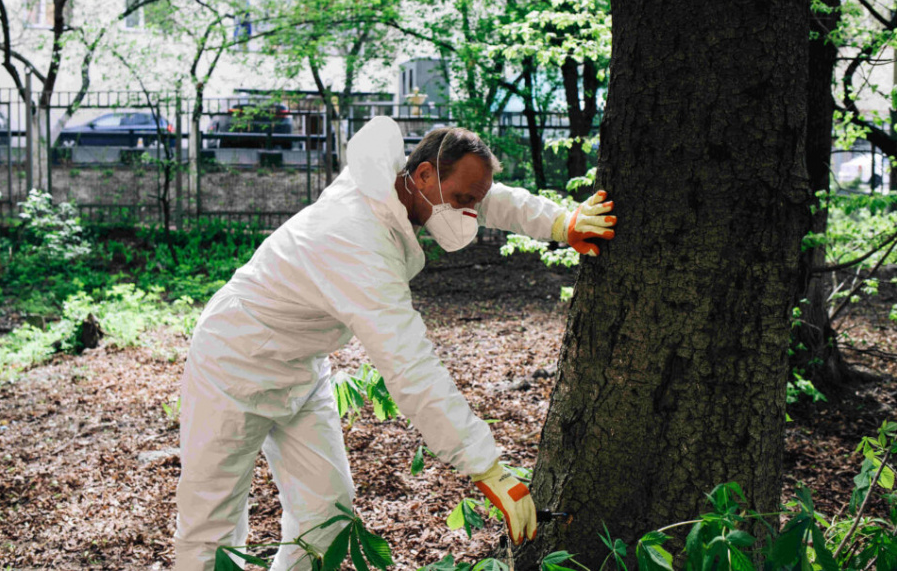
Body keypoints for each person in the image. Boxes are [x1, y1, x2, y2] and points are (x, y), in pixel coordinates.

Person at [174, 116, 616, 571]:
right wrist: (486, 466)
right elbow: (410, 366)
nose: (469, 213)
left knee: (327, 513)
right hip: (233, 362)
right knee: (211, 522)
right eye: (462, 201)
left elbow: (486, 198)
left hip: (301, 367)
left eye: (471, 202)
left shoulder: (405, 188)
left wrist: (562, 222)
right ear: (424, 174)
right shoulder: (355, 238)